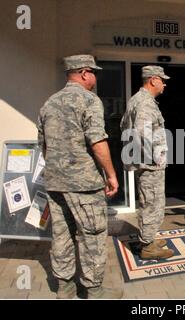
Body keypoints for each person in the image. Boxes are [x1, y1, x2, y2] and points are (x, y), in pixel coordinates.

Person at [37, 54, 123, 299]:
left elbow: (43, 146)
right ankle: (94, 291)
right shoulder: (89, 100)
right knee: (92, 235)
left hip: (55, 182)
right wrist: (111, 175)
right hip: (84, 184)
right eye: (93, 72)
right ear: (84, 73)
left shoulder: (49, 103)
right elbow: (97, 141)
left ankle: (64, 287)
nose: (95, 77)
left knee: (61, 234)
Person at [120, 65, 174, 260]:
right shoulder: (145, 103)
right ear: (153, 80)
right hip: (150, 164)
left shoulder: (138, 99)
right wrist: (157, 157)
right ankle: (148, 247)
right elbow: (143, 133)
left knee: (148, 201)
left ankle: (147, 238)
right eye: (162, 80)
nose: (164, 84)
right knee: (152, 203)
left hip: (145, 162)